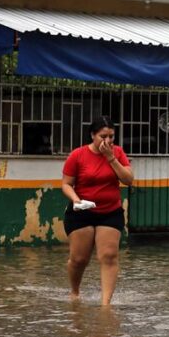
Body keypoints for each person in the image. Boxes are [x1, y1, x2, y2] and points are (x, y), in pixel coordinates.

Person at [61, 116, 133, 306]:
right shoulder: (78, 155)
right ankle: (75, 291)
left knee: (108, 255)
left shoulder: (117, 153)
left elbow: (128, 179)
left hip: (110, 211)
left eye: (111, 136)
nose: (108, 141)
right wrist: (76, 200)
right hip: (81, 211)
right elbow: (66, 184)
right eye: (103, 136)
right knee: (79, 259)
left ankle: (105, 304)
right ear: (93, 135)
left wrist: (111, 159)